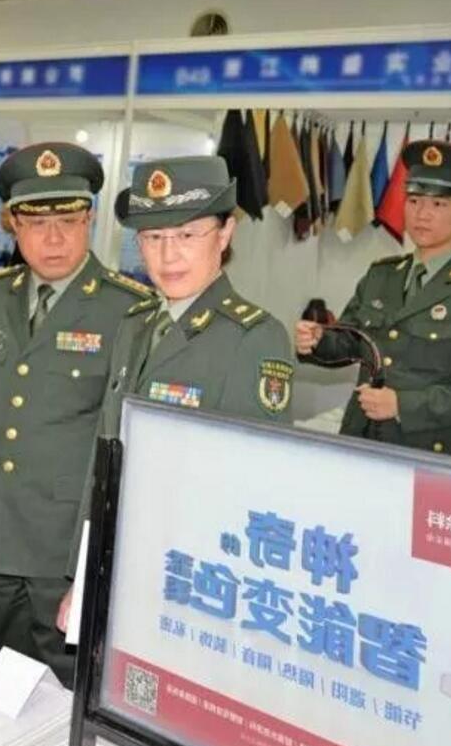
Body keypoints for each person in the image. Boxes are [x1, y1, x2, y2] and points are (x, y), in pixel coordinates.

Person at [57, 155, 295, 631]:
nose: (168, 256)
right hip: (118, 559)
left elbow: (257, 488)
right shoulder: (135, 325)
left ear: (224, 235)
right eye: (153, 238)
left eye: (187, 235)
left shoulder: (253, 337)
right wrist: (83, 573)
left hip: (195, 578)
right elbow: (104, 460)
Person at [0, 142, 151, 688]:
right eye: (36, 223)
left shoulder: (128, 308)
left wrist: (94, 551)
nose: (52, 238)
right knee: (0, 674)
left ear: (89, 220)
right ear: (13, 225)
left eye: (68, 221)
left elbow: (120, 439)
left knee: (66, 685)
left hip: (63, 540)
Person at [294, 140, 451, 458]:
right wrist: (318, 340)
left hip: (430, 450)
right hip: (360, 438)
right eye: (414, 200)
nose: (422, 214)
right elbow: (352, 342)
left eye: (439, 204)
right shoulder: (382, 275)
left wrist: (404, 405)